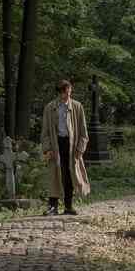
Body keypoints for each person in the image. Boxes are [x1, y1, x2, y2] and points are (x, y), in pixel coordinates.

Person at [40, 79, 90, 215]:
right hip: (56, 144)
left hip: (72, 145)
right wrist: (47, 148)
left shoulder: (77, 107)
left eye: (69, 91)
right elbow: (45, 132)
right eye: (64, 92)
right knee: (54, 174)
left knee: (70, 174)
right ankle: (53, 206)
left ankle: (68, 206)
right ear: (59, 92)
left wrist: (80, 148)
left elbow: (83, 131)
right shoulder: (50, 108)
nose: (67, 95)